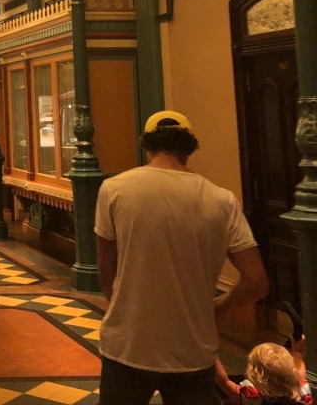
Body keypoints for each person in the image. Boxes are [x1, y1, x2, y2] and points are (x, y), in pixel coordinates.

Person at [95, 110, 269, 405]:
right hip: (194, 350)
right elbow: (256, 281)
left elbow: (107, 275)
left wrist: (126, 312)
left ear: (147, 145)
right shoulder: (221, 200)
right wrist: (219, 310)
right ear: (189, 148)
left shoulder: (115, 190)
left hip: (129, 345)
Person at [218, 338, 312, 404]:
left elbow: (223, 381)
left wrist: (211, 356)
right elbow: (301, 376)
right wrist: (297, 351)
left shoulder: (253, 398)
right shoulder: (300, 394)